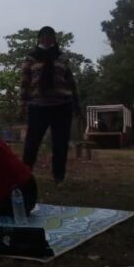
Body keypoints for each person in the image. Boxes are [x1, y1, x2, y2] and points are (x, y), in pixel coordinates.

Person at [20, 26, 79, 185]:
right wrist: (22, 105)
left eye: (50, 36)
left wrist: (76, 104)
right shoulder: (31, 58)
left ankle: (59, 176)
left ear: (54, 39)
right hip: (38, 106)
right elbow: (25, 83)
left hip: (62, 106)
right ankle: (24, 175)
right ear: (39, 39)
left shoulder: (61, 58)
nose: (46, 39)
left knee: (60, 144)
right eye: (43, 36)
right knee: (32, 143)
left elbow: (71, 82)